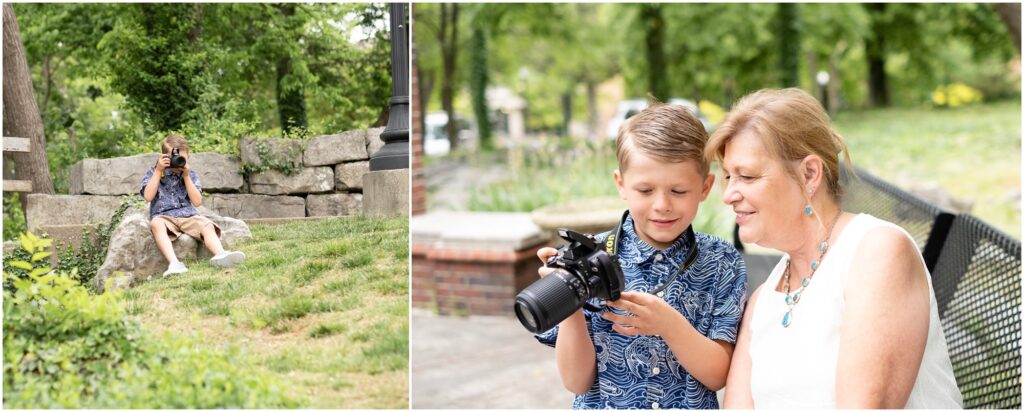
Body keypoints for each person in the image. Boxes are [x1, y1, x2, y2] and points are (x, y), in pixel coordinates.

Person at [705, 88, 962, 408]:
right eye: (729, 176)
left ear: (809, 174)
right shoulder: (764, 299)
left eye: (747, 176)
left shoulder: (878, 253)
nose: (729, 194)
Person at [533, 103, 748, 409]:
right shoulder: (589, 257)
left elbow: (718, 376)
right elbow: (575, 381)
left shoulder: (722, 262)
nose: (662, 205)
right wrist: (569, 301)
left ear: (705, 187)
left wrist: (669, 325)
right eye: (645, 190)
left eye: (678, 191)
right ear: (621, 184)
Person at [140, 134, 245, 277]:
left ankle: (220, 254)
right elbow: (148, 197)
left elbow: (197, 202)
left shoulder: (190, 174)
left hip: (188, 214)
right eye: (174, 158)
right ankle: (174, 263)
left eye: (181, 158)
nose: (178, 162)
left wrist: (186, 176)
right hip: (163, 216)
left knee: (207, 224)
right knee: (156, 224)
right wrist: (158, 171)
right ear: (164, 157)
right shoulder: (154, 172)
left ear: (188, 156)